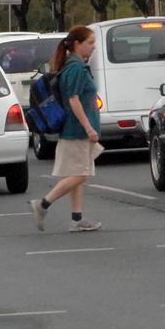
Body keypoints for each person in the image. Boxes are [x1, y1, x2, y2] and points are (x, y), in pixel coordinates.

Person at [29, 26, 103, 233]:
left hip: (77, 130)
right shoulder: (76, 69)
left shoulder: (75, 66)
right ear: (77, 45)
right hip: (76, 130)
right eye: (90, 43)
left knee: (77, 173)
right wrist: (89, 128)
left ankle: (77, 218)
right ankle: (42, 204)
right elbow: (73, 100)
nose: (93, 47)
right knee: (81, 174)